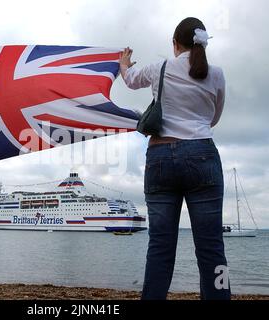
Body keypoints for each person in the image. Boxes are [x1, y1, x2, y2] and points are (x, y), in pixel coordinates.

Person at [119, 17, 230, 300]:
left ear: (174, 44)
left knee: (160, 247)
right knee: (212, 248)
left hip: (159, 160)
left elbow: (130, 81)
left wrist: (124, 63)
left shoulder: (160, 69)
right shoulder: (216, 74)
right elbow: (213, 118)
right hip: (202, 156)